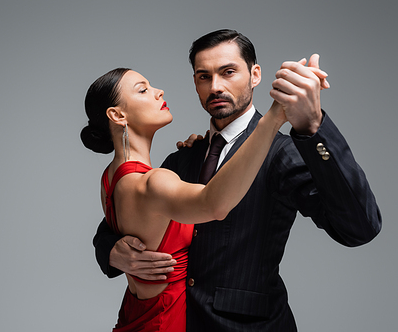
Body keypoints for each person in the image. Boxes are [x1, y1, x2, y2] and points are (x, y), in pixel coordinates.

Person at [93, 29, 382, 331]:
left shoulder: (282, 153)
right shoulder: (183, 158)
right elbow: (131, 209)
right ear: (195, 83)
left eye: (228, 72)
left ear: (255, 75)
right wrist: (111, 249)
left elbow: (360, 228)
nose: (216, 86)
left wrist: (313, 128)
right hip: (176, 322)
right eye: (204, 76)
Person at [81, 65, 296, 331]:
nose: (159, 92)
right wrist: (273, 119)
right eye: (143, 90)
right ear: (117, 114)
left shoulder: (111, 179)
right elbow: (213, 204)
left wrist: (210, 153)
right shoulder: (155, 182)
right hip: (167, 321)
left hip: (135, 317)